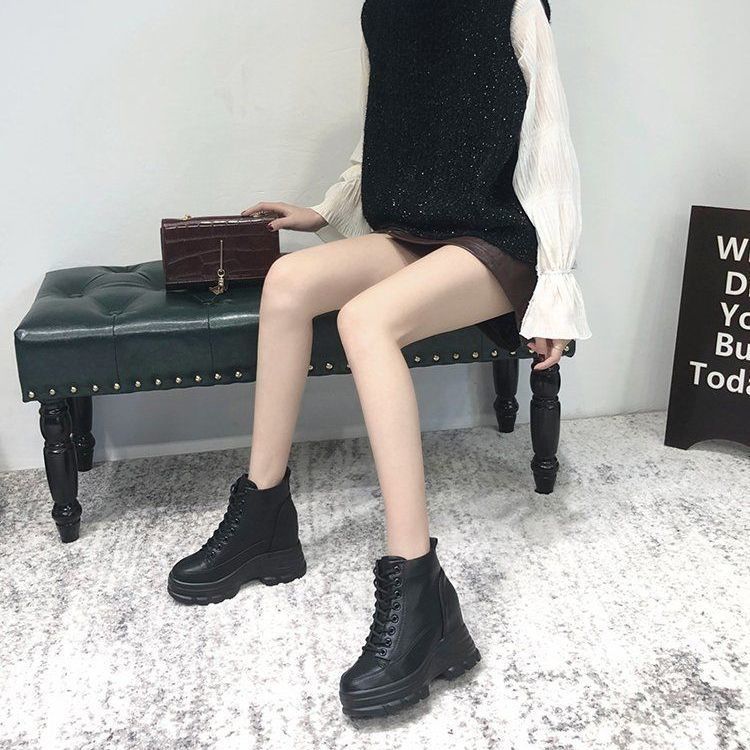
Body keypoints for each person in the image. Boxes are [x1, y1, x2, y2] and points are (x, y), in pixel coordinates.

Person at [167, 0, 592, 719]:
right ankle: (264, 515)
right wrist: (327, 208)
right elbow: (382, 133)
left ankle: (421, 591)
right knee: (288, 281)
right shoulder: (382, 11)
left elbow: (549, 141)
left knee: (366, 320)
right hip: (419, 231)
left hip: (499, 240)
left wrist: (555, 285)